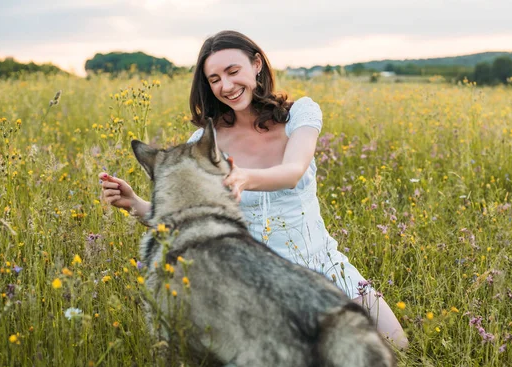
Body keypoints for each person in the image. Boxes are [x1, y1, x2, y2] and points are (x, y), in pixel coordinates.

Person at [99, 30, 408, 349]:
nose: (227, 86)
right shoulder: (205, 144)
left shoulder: (299, 115)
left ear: (256, 64)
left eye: (233, 71)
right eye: (215, 79)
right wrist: (134, 203)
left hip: (322, 263)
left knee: (398, 344)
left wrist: (244, 177)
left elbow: (292, 172)